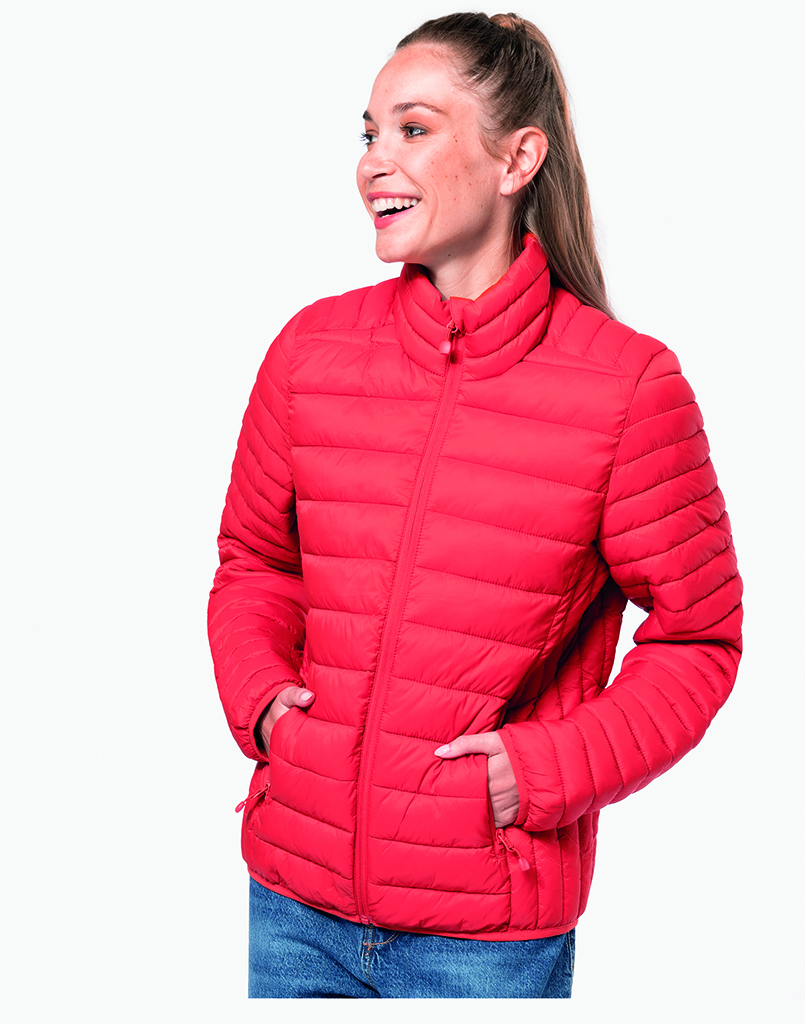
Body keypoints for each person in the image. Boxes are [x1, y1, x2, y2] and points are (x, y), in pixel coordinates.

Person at [208, 11, 743, 1000]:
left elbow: (698, 638)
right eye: (369, 132)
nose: (375, 161)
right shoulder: (310, 353)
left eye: (414, 129)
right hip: (292, 904)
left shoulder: (625, 388)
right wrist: (266, 708)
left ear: (516, 159)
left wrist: (537, 772)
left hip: (483, 937)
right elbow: (255, 562)